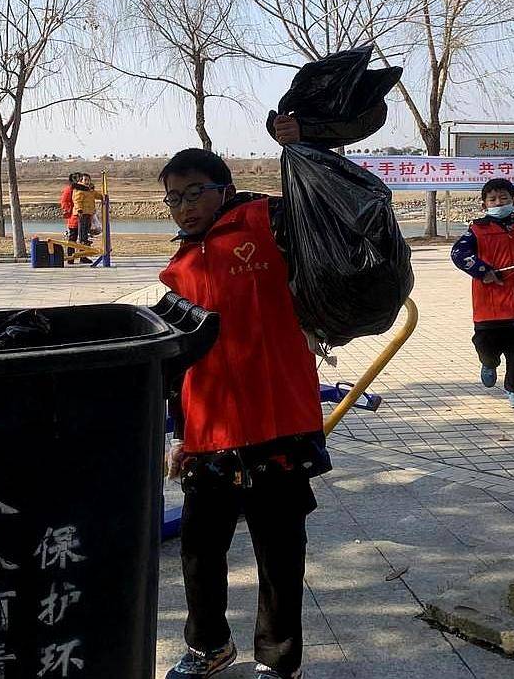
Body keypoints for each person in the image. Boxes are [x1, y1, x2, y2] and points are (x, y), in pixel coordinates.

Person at [159, 116, 326, 679]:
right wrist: (179, 434)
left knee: (279, 557)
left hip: (278, 425)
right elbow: (181, 364)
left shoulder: (268, 223)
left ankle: (280, 664)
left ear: (224, 189)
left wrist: (302, 147)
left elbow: (323, 202)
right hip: (210, 435)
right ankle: (210, 646)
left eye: (194, 192)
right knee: (199, 552)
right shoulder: (177, 269)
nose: (184, 206)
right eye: (173, 198)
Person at [451, 177, 514, 410]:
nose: (498, 202)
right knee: (487, 346)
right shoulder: (477, 230)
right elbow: (458, 253)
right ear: (484, 205)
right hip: (490, 307)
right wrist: (482, 270)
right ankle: (489, 362)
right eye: (492, 199)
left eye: (503, 198)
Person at [71, 173, 104, 263]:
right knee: (82, 234)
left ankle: (84, 255)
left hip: (89, 213)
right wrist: (79, 210)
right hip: (82, 214)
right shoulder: (79, 189)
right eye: (85, 180)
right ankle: (82, 255)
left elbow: (96, 195)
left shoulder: (89, 190)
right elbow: (77, 201)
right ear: (81, 181)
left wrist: (103, 197)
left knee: (86, 234)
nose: (87, 181)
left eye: (88, 180)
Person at [60, 172, 79, 243]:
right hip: (74, 217)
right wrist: (70, 211)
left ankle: (82, 253)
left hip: (83, 217)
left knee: (83, 238)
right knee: (73, 238)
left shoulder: (82, 189)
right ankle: (71, 253)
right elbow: (64, 202)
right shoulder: (69, 190)